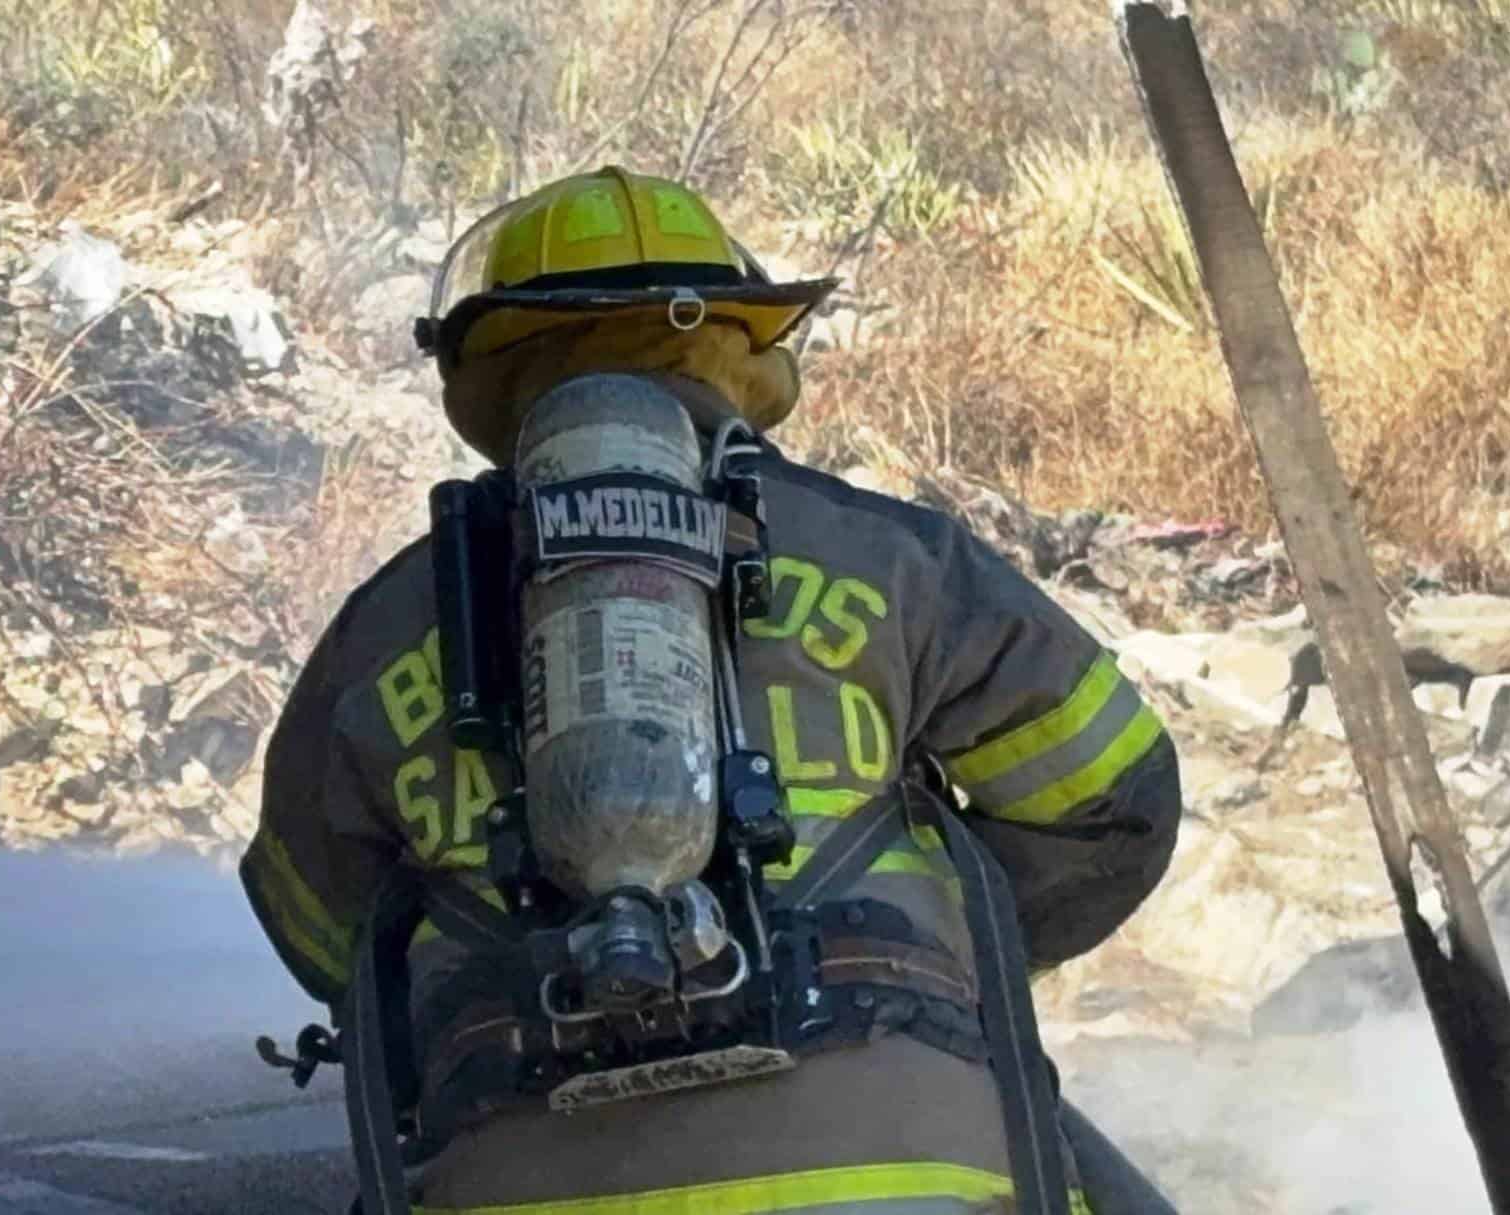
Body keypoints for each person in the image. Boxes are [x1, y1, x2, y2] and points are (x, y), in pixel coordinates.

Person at [240, 166, 1183, 1215]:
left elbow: (320, 930)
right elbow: (1116, 799)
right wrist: (924, 951)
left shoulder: (385, 628)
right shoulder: (896, 561)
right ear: (737, 342)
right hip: (910, 1174)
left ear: (490, 367)